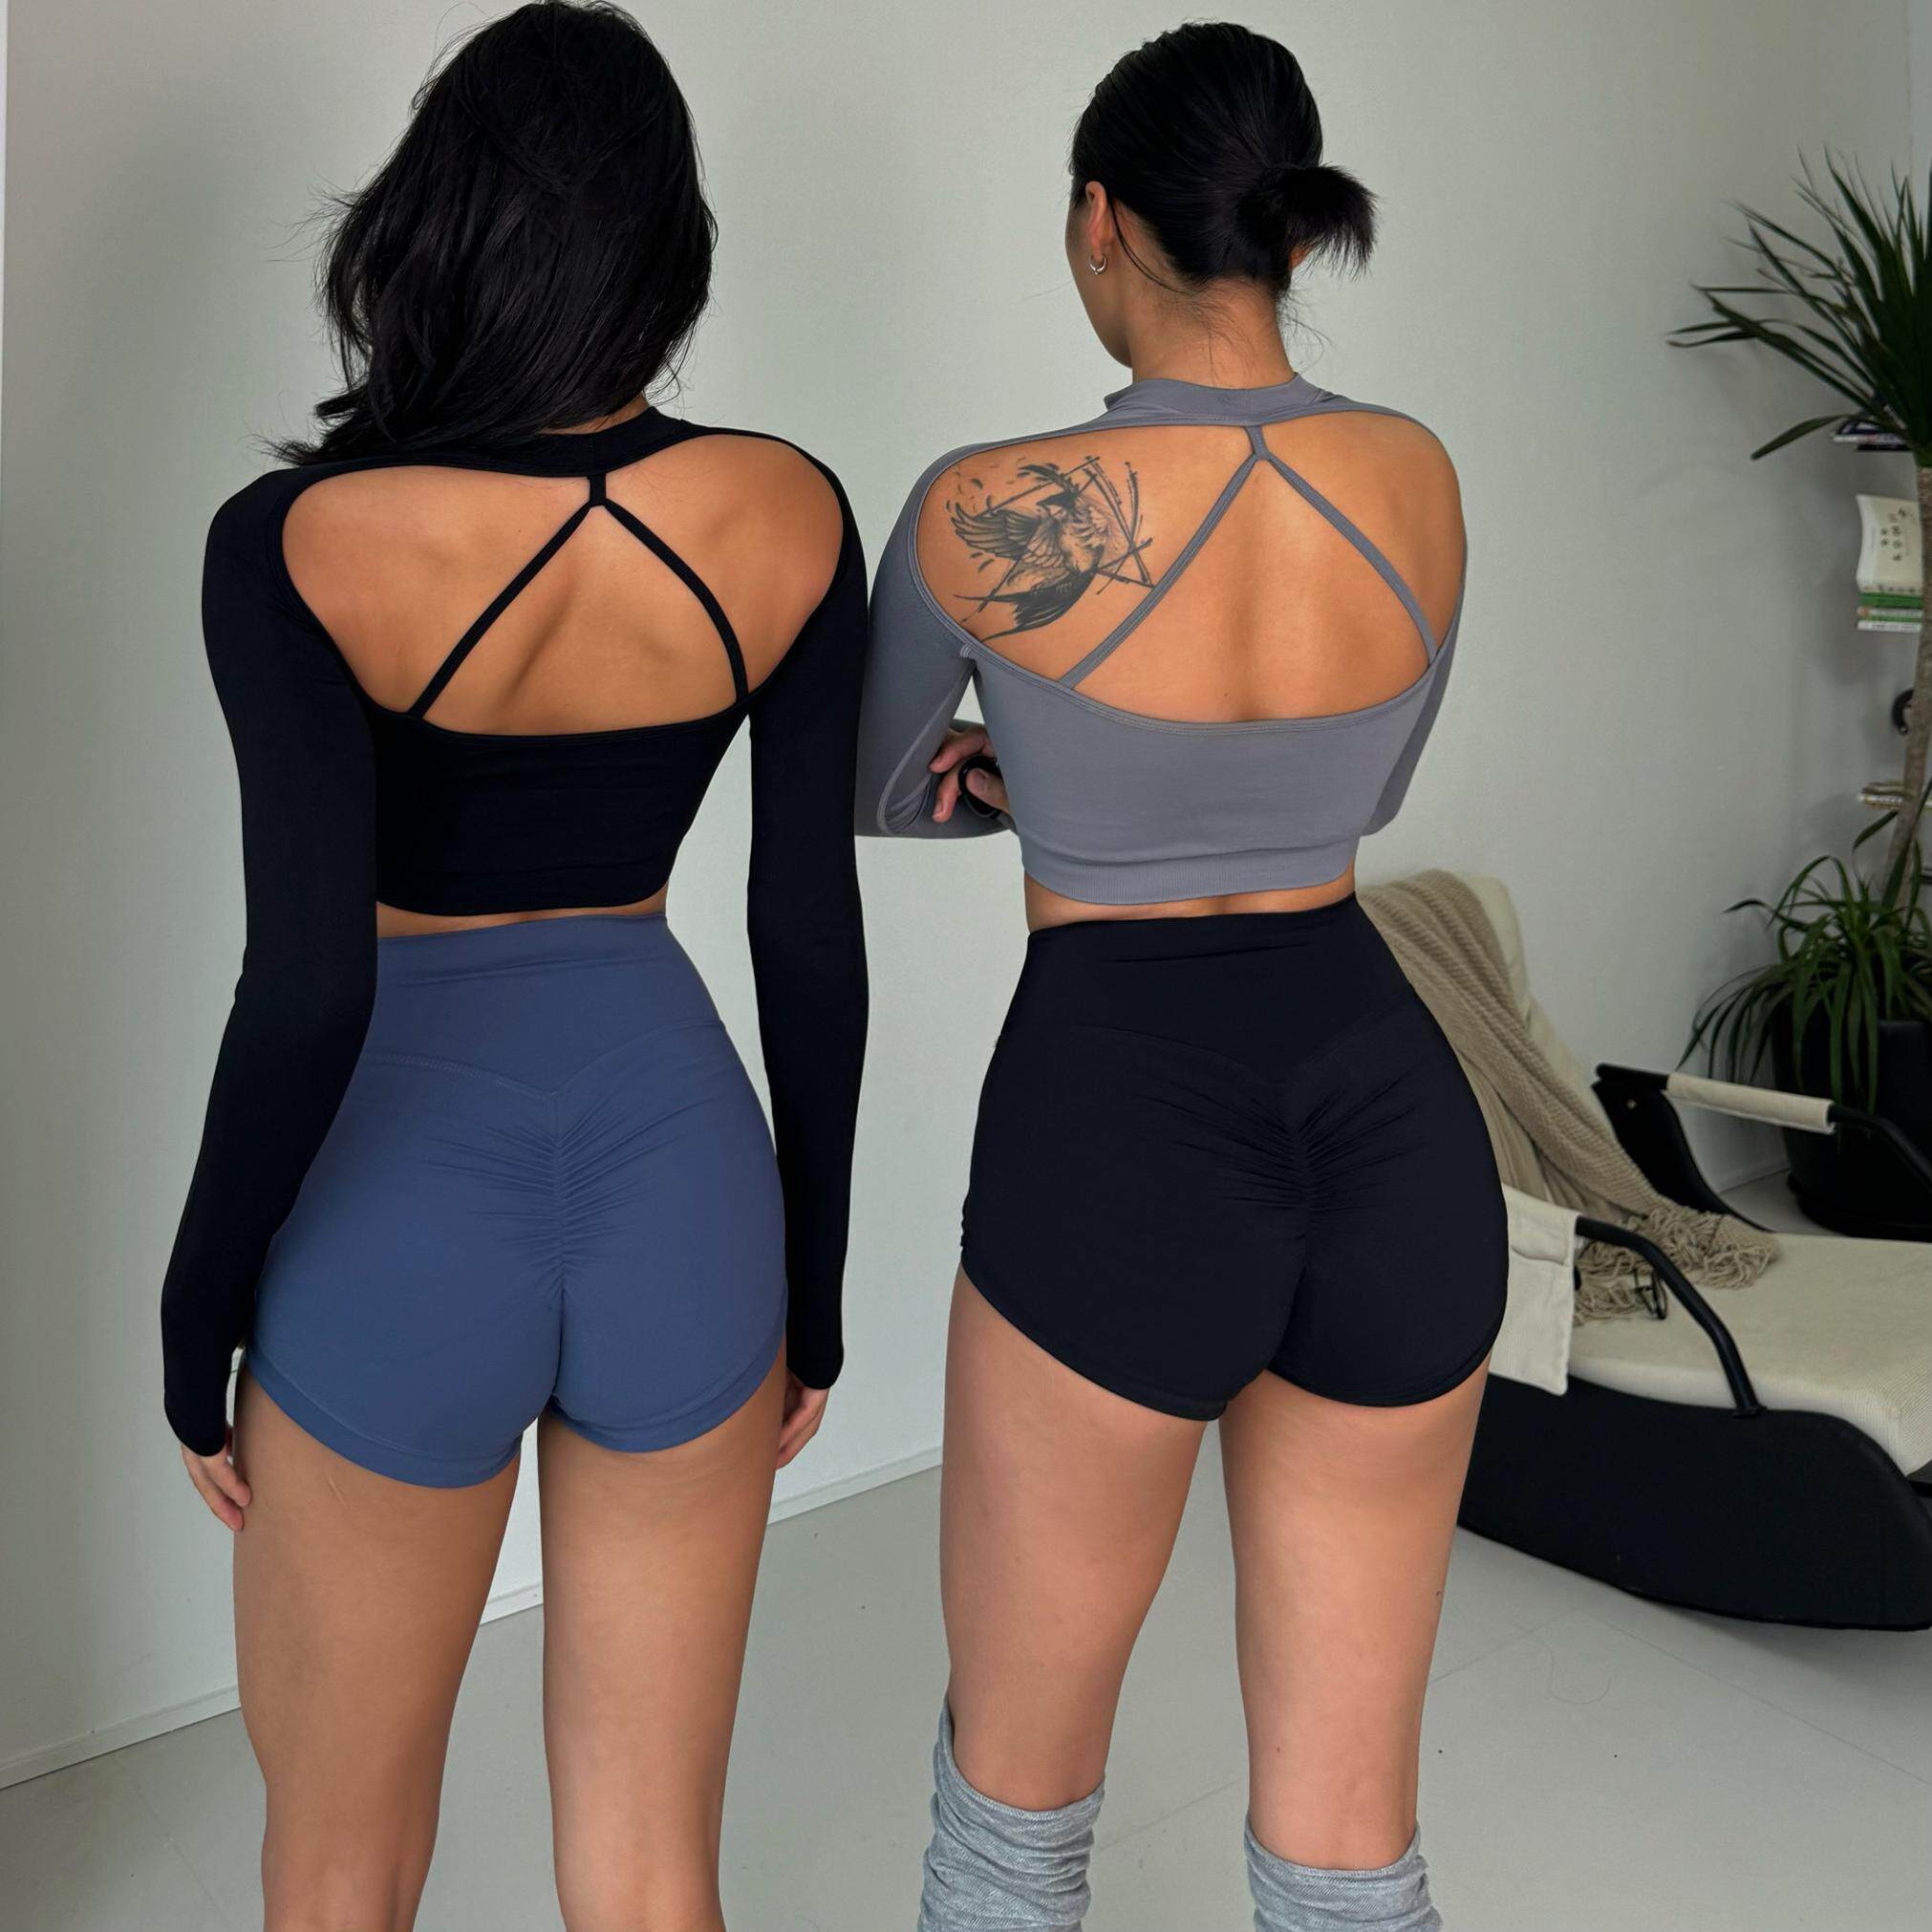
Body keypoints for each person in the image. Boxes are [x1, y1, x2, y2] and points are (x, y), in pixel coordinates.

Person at [160, 7, 866, 1926]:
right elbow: (806, 934)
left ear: (435, 222)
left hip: (402, 1186)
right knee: (650, 1868)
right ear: (666, 247)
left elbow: (308, 986)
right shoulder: (789, 509)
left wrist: (198, 1313)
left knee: (339, 1863)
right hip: (682, 1165)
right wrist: (811, 1290)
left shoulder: (297, 543)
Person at [858, 23, 1504, 1930]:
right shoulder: (1414, 473)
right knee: (1348, 1849)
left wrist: (1030, 774)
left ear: (1099, 219)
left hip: (1116, 1113)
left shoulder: (979, 505)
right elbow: (1366, 787)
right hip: (1385, 1103)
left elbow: (874, 787)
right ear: (1292, 232)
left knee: (1011, 1824)